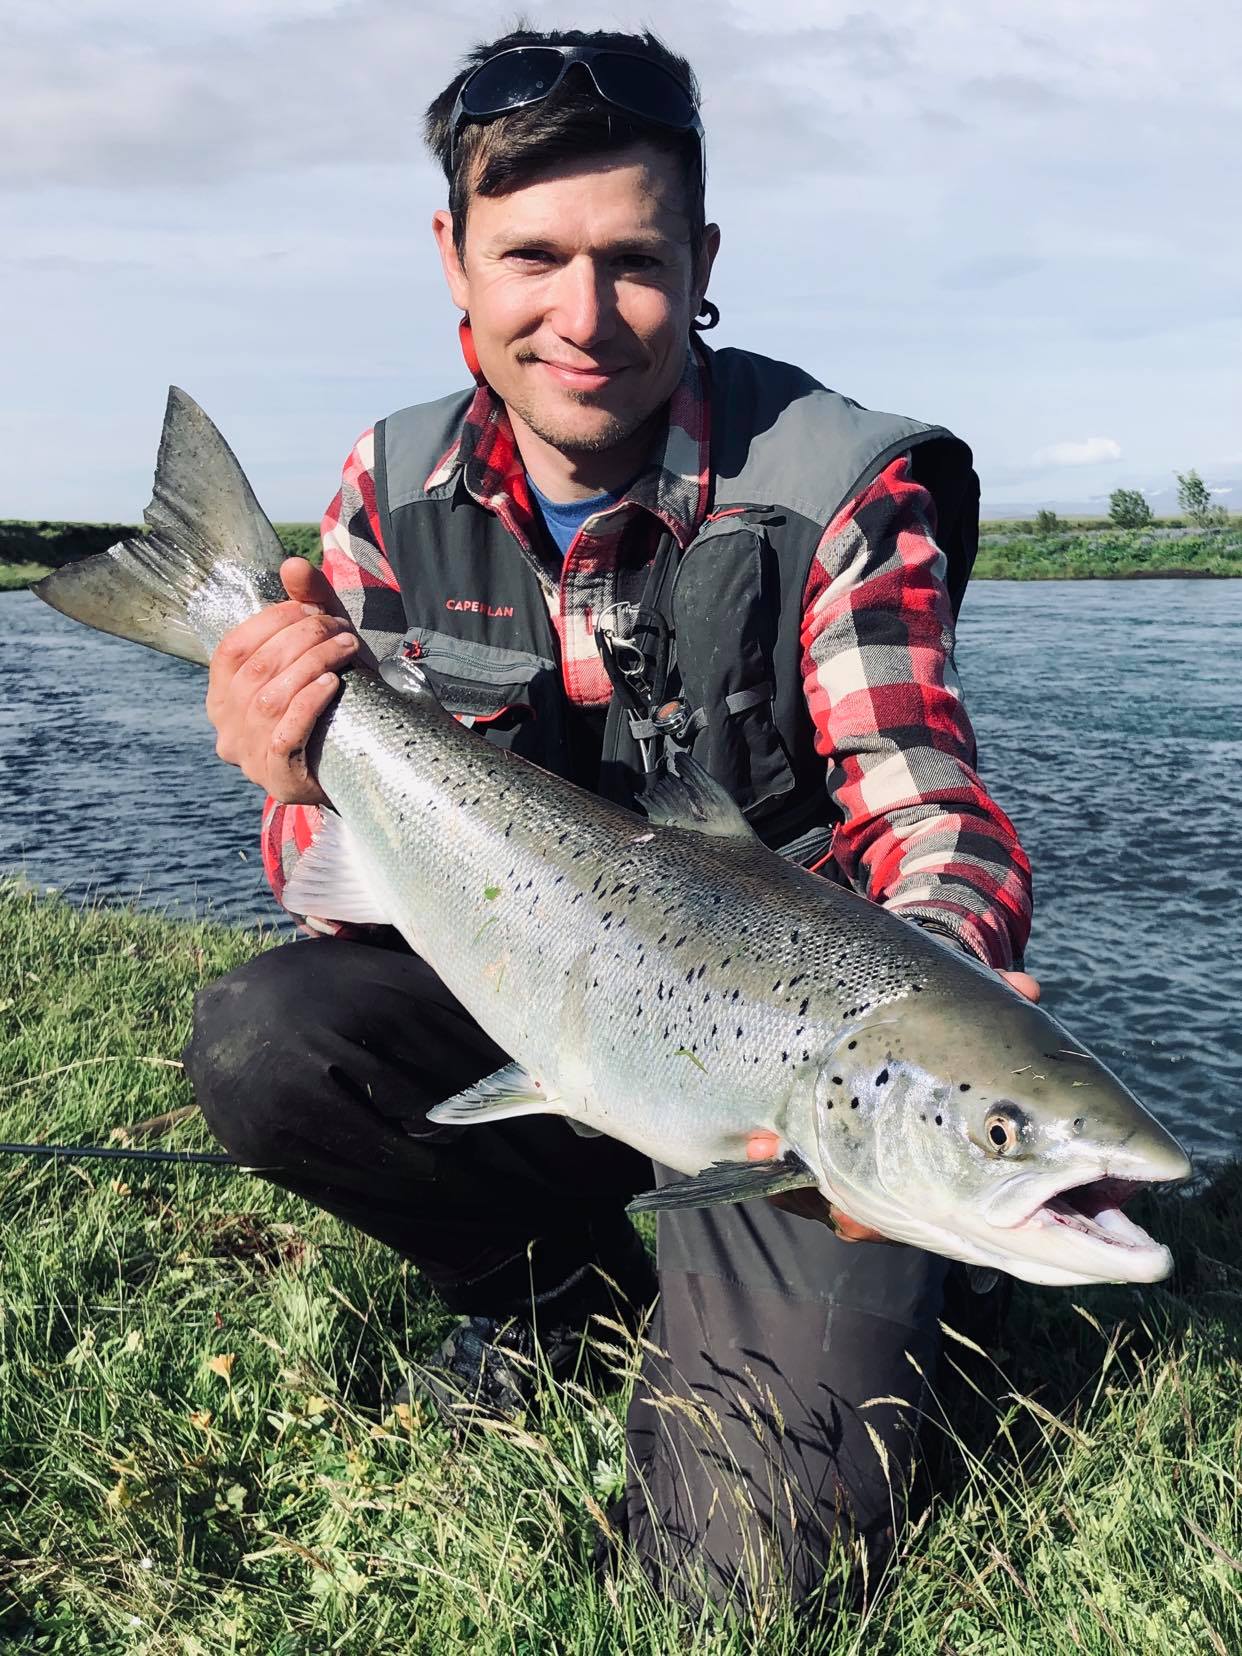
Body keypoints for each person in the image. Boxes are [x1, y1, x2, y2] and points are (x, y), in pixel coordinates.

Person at [184, 26, 1035, 1612]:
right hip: (543, 1010)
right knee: (267, 1039)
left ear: (702, 259)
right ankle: (555, 1291)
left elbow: (939, 817)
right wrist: (296, 782)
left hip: (783, 1084)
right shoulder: (387, 488)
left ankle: (868, 1276)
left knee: (740, 1579)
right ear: (452, 255)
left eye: (634, 261)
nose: (584, 319)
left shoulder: (843, 489)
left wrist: (913, 1027)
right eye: (532, 257)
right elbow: (341, 900)